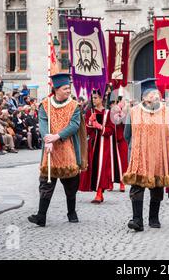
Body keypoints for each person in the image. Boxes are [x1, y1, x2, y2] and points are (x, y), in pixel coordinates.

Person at [28, 73, 87, 227]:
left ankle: (71, 212)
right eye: (66, 88)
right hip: (50, 150)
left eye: (69, 88)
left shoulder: (74, 106)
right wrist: (46, 138)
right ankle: (41, 216)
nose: (69, 91)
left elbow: (74, 125)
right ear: (57, 89)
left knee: (71, 184)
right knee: (46, 183)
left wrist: (57, 137)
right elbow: (42, 123)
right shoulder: (45, 105)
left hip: (68, 148)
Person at [123, 78, 169, 232]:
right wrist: (137, 147)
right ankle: (137, 220)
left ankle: (154, 218)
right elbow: (127, 135)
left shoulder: (166, 112)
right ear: (144, 97)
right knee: (137, 187)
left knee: (157, 188)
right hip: (139, 156)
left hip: (159, 155)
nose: (156, 96)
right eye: (152, 94)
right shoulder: (134, 112)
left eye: (156, 93)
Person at [80, 89, 114, 204]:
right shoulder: (90, 112)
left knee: (102, 167)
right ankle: (96, 190)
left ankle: (99, 193)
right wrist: (89, 123)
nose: (93, 100)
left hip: (104, 144)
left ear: (101, 98)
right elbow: (87, 131)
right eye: (92, 98)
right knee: (93, 166)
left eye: (95, 98)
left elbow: (111, 130)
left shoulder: (108, 113)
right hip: (93, 144)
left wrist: (100, 127)